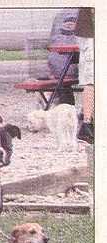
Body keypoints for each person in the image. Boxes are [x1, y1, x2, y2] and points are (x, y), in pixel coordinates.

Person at [46, 9, 79, 105]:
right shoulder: (85, 13)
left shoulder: (60, 14)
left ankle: (67, 109)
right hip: (69, 68)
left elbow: (52, 42)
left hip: (56, 68)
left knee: (62, 81)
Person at [75, 7, 94, 144]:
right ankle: (87, 123)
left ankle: (87, 118)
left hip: (88, 34)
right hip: (91, 35)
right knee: (91, 80)